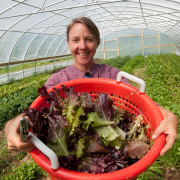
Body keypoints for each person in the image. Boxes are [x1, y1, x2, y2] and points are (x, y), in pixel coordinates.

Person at [5, 17, 178, 157]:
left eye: (88, 39)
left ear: (97, 42)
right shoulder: (58, 81)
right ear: (68, 43)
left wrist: (167, 115)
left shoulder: (112, 75)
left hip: (111, 159)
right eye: (76, 40)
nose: (82, 46)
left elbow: (138, 102)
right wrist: (13, 125)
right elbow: (34, 113)